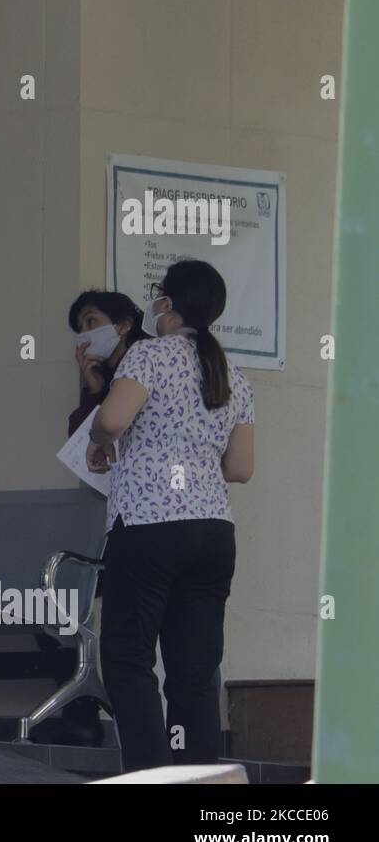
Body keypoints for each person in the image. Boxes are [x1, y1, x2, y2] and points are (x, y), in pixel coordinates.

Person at [86, 260, 255, 772]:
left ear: (166, 303)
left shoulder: (150, 356)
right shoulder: (233, 375)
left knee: (128, 659)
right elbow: (241, 469)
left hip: (149, 528)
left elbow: (113, 419)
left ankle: (151, 777)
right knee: (194, 672)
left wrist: (98, 444)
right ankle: (198, 779)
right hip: (213, 534)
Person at [67, 290, 149, 437]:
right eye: (80, 329)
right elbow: (78, 448)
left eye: (90, 321)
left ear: (124, 326)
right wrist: (95, 392)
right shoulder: (100, 376)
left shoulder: (145, 365)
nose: (83, 334)